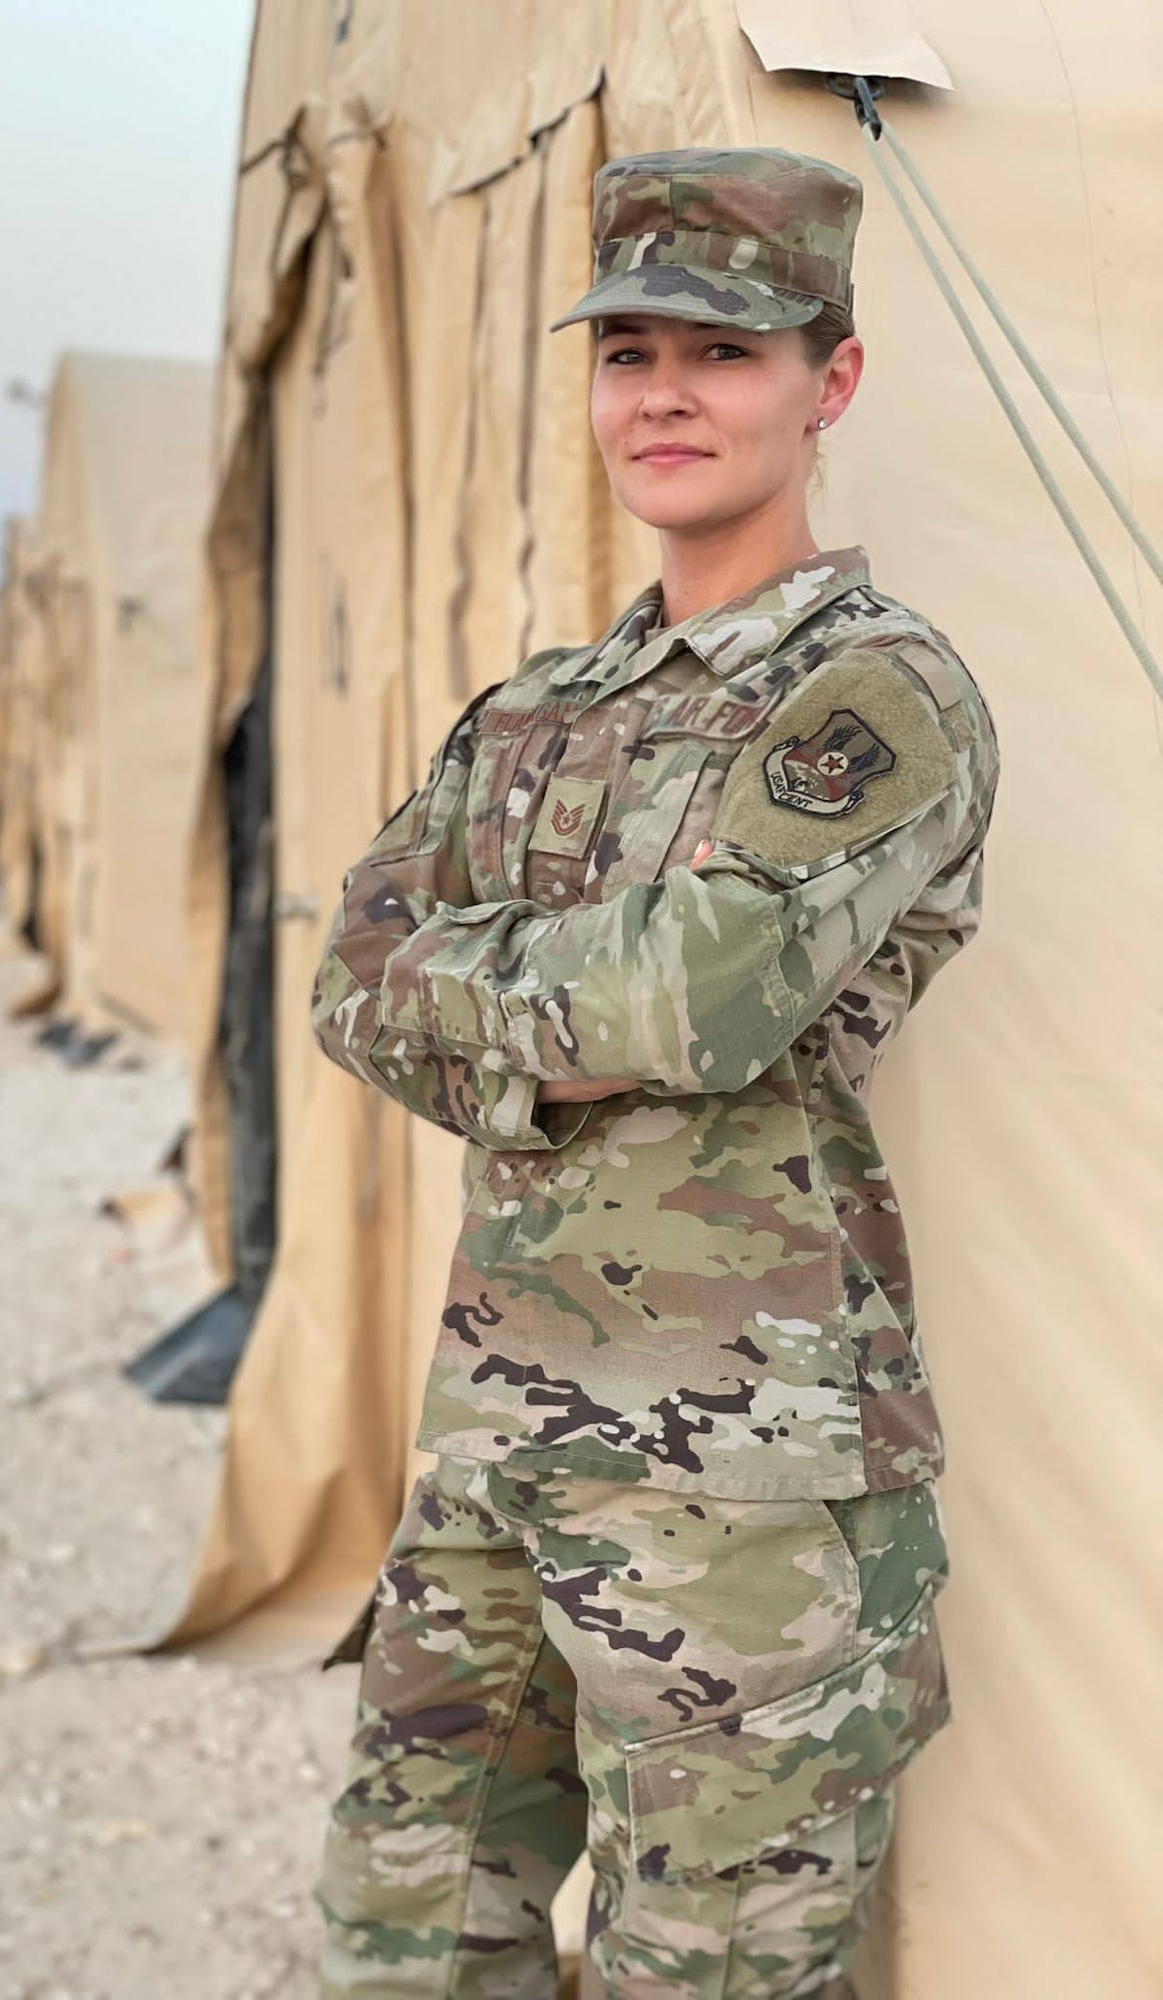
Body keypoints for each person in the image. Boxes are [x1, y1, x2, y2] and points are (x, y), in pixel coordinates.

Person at [308, 147, 1000, 2000]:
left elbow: (703, 1003)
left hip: (743, 1496)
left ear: (827, 382)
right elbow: (347, 979)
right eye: (627, 352)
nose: (665, 396)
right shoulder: (535, 708)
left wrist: (491, 990)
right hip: (495, 1444)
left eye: (723, 348)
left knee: (703, 1977)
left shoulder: (873, 698)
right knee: (400, 1934)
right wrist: (567, 996)